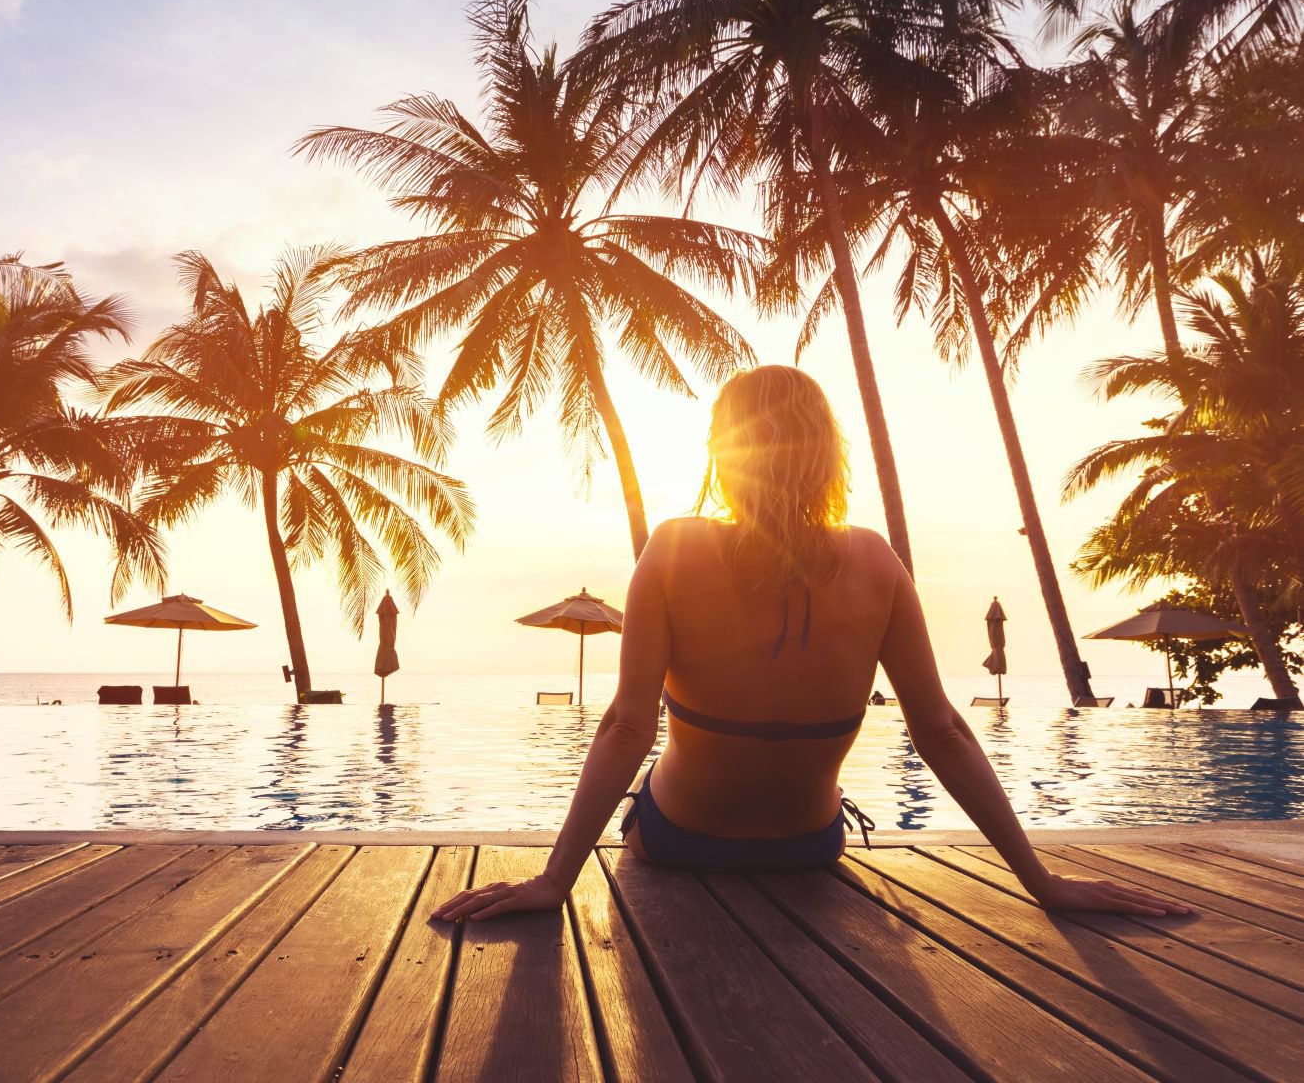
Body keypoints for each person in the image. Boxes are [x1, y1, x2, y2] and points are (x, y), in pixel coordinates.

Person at [433, 366, 1189, 923]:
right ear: (828, 454)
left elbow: (628, 727)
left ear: (723, 454)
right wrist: (1042, 883)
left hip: (680, 838)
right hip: (809, 845)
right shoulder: (875, 559)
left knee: (663, 764)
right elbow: (944, 731)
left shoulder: (672, 547)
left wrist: (553, 882)